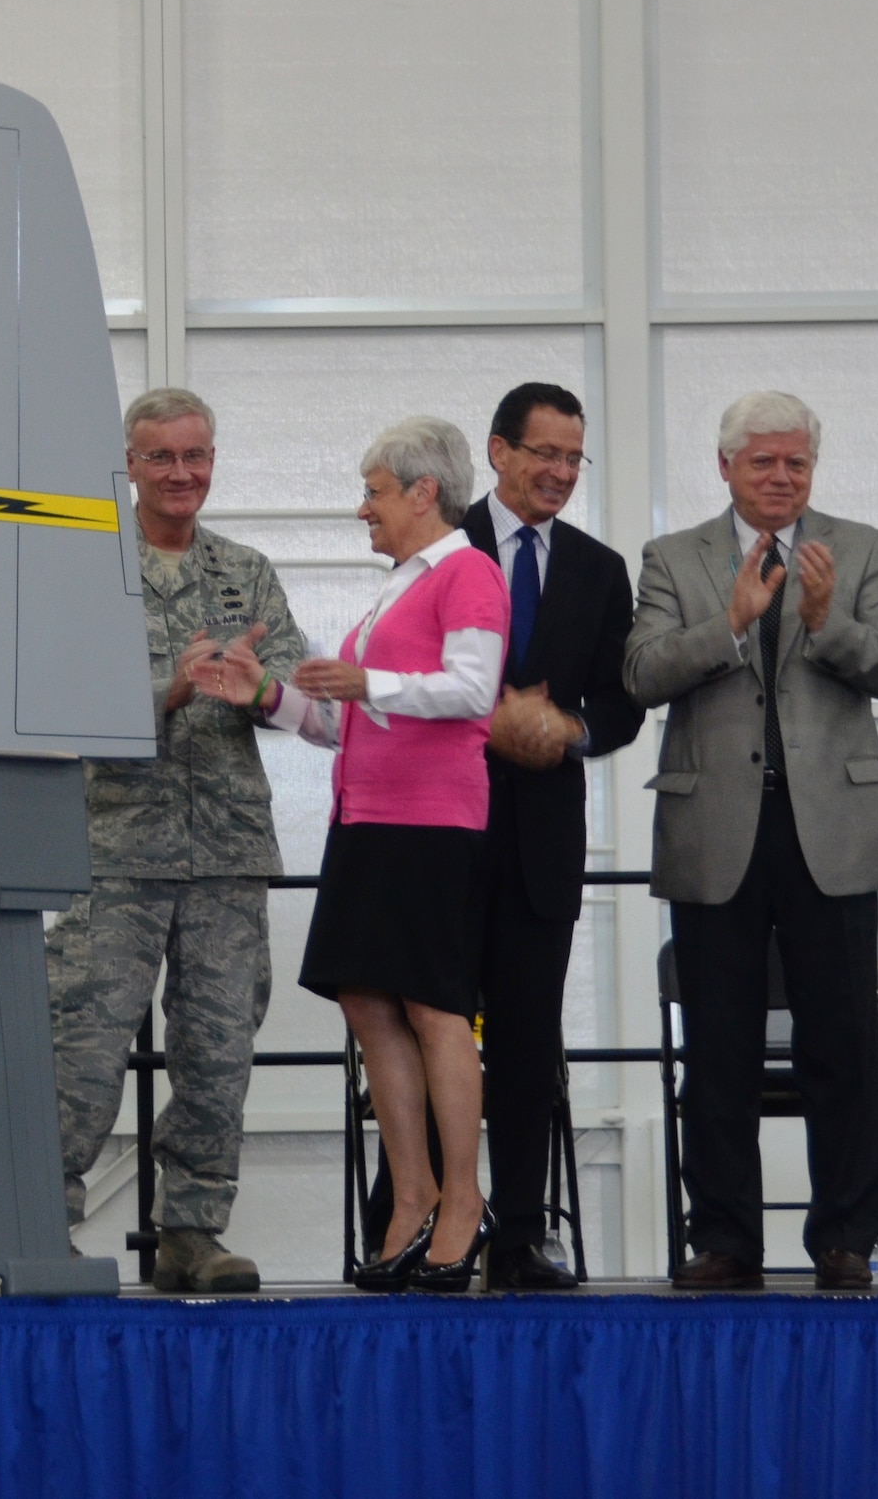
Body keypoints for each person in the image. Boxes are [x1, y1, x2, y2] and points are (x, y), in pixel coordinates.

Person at [196, 416, 508, 1293]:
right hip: (367, 820)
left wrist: (370, 681)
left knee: (437, 1009)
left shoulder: (468, 573)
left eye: (373, 491)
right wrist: (265, 696)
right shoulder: (399, 588)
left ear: (423, 492)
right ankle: (408, 1198)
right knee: (368, 1006)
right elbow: (345, 723)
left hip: (433, 827)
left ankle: (460, 1199)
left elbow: (474, 689)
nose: (361, 508)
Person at [623, 390, 878, 1292]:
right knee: (718, 1049)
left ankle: (846, 1238)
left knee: (843, 1044)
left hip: (832, 828)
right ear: (726, 468)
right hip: (718, 831)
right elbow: (641, 675)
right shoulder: (674, 558)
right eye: (763, 463)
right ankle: (723, 1241)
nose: (782, 477)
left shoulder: (862, 547)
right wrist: (734, 621)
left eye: (796, 463)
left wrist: (829, 624)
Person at [45, 386, 304, 1293]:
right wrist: (170, 690)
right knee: (81, 1048)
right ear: (129, 465)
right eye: (162, 458)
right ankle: (44, 1228)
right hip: (113, 849)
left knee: (219, 1052)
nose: (182, 474)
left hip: (229, 851)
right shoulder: (84, 567)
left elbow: (303, 700)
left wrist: (261, 691)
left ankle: (193, 1232)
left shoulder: (247, 571)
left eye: (196, 457)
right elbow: (54, 703)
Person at [463, 383, 645, 1290]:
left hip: (542, 841)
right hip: (443, 833)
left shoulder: (599, 568)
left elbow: (623, 703)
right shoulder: (438, 542)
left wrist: (567, 729)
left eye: (575, 458)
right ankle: (418, 1222)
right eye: (545, 454)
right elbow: (394, 673)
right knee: (433, 1038)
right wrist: (483, 718)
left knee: (528, 1044)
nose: (561, 474)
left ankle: (519, 1236)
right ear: (498, 452)